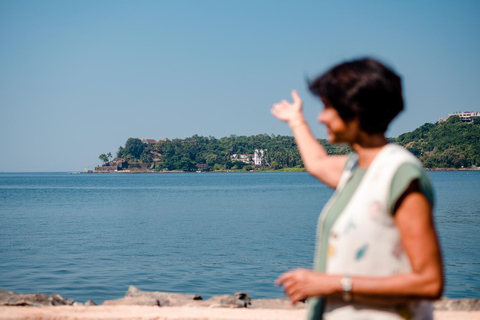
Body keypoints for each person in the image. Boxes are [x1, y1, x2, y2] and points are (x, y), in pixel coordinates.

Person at [272, 58, 443, 320]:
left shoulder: (400, 174)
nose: (321, 117)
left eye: (328, 108)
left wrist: (331, 283)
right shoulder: (356, 170)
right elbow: (317, 163)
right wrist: (296, 121)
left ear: (355, 111)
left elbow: (429, 282)